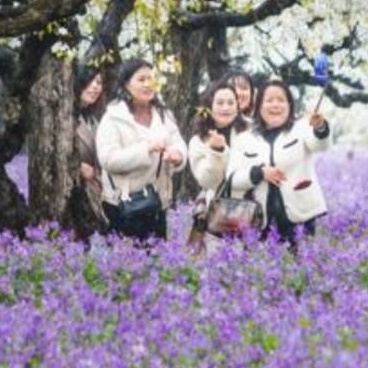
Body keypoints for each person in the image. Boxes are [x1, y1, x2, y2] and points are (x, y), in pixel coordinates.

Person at [227, 79, 330, 245]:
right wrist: (259, 173)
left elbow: (320, 144)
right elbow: (232, 179)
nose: (275, 105)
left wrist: (320, 128)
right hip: (259, 222)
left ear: (289, 105)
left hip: (299, 217)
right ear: (259, 105)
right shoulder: (244, 139)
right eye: (269, 100)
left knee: (302, 267)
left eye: (281, 100)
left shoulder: (302, 128)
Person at [96, 59, 187, 240]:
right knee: (125, 263)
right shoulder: (113, 118)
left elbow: (178, 142)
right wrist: (146, 149)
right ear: (126, 85)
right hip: (124, 205)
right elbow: (108, 160)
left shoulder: (163, 114)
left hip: (156, 203)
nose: (148, 84)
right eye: (141, 79)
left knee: (156, 260)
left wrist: (177, 155)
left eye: (151, 79)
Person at [187, 80, 245, 248]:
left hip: (252, 207)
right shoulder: (198, 140)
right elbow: (207, 181)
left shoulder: (250, 131)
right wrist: (216, 151)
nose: (225, 108)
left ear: (237, 106)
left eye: (230, 103)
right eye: (219, 103)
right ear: (209, 106)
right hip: (219, 212)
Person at [72, 64, 107, 234]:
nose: (95, 87)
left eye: (99, 82)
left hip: (97, 193)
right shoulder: (64, 118)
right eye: (89, 81)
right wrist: (77, 167)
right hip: (74, 198)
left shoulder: (95, 120)